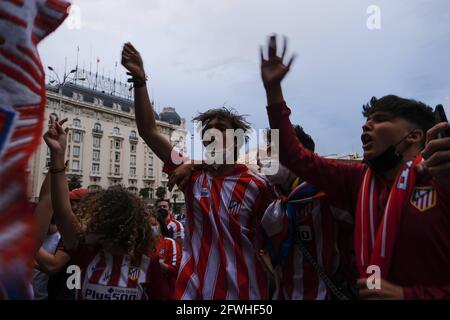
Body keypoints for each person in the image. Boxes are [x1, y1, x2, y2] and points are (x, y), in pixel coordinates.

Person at [260, 34, 450, 299]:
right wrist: (273, 91)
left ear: (414, 136)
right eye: (366, 120)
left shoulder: (440, 179)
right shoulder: (358, 180)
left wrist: (408, 295)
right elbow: (295, 157)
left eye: (379, 120)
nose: (365, 125)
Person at [121, 42, 275, 299]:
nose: (212, 132)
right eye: (208, 129)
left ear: (236, 139)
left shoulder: (257, 185)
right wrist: (140, 80)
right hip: (191, 295)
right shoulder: (191, 175)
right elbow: (148, 131)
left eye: (220, 128)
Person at [43, 117, 167, 300]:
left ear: (112, 226)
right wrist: (58, 156)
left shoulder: (148, 262)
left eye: (97, 219)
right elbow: (63, 213)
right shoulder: (88, 252)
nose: (88, 224)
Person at [259, 127, 356, 300]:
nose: (265, 157)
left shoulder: (328, 195)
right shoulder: (271, 198)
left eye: (273, 150)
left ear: (297, 156)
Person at [150, 213, 182, 297]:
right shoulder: (141, 245)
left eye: (153, 225)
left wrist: (158, 265)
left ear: (160, 225)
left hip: (167, 293)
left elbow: (176, 270)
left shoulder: (169, 243)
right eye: (148, 225)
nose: (151, 228)